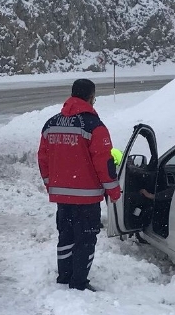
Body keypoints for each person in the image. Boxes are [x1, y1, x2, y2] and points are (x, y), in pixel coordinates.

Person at [37, 79, 121, 292]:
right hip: (87, 197)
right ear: (91, 98)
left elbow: (43, 159)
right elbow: (104, 162)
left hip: (62, 197)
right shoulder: (94, 126)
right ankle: (79, 282)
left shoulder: (51, 124)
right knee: (85, 239)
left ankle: (64, 276)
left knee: (65, 236)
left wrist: (50, 185)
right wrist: (113, 191)